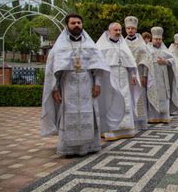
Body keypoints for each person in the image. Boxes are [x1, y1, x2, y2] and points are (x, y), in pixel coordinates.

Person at [41, 14, 123, 156]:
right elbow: (52, 71)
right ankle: (69, 148)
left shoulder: (90, 45)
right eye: (73, 23)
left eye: (79, 22)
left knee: (88, 113)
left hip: (87, 85)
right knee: (68, 114)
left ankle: (89, 146)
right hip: (68, 85)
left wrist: (97, 84)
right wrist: (54, 89)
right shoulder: (60, 47)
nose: (77, 25)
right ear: (67, 26)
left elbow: (97, 67)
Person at [96, 22, 141, 140]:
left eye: (120, 30)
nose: (118, 32)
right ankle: (111, 130)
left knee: (126, 99)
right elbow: (97, 64)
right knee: (111, 101)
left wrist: (133, 75)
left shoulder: (123, 44)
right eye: (116, 30)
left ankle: (126, 129)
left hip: (123, 76)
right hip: (109, 77)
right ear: (109, 31)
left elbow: (130, 62)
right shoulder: (102, 46)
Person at [125, 16, 155, 131]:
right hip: (127, 74)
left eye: (132, 28)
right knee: (129, 97)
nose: (130, 30)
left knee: (139, 97)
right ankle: (130, 123)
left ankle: (140, 123)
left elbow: (147, 61)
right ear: (126, 29)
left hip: (140, 72)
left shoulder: (142, 44)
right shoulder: (122, 43)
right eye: (128, 28)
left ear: (136, 29)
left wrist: (144, 76)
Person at [146, 26, 178, 123]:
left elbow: (174, 60)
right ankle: (152, 117)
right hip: (151, 77)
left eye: (159, 39)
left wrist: (166, 61)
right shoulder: (147, 49)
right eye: (156, 39)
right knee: (153, 94)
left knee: (164, 96)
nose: (158, 41)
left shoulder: (165, 49)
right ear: (152, 39)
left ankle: (164, 117)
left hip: (163, 79)